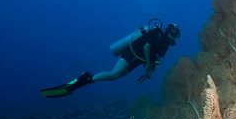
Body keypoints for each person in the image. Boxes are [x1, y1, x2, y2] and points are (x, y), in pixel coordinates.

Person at [40, 21, 181, 98]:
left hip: (137, 61)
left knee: (115, 77)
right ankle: (84, 79)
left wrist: (149, 69)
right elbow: (146, 48)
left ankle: (86, 79)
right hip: (132, 53)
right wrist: (149, 64)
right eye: (173, 34)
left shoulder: (165, 46)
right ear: (168, 30)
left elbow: (154, 58)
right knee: (113, 74)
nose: (173, 37)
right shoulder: (157, 34)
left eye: (176, 36)